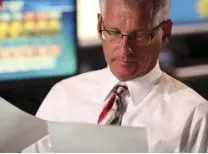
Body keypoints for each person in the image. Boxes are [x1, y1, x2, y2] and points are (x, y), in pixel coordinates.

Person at [23, 0, 208, 152]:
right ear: (99, 26)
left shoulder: (194, 116)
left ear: (165, 33)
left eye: (140, 35)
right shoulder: (63, 96)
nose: (124, 49)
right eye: (113, 33)